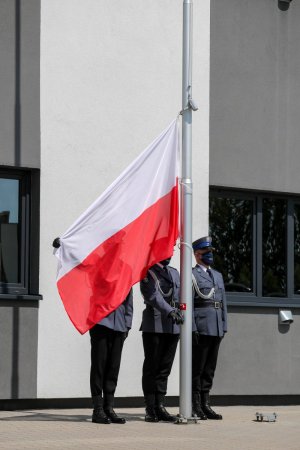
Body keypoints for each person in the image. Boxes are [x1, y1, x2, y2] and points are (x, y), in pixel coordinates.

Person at [140, 258, 184, 423]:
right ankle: (150, 407)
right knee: (152, 367)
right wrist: (170, 310)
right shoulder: (148, 271)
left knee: (165, 368)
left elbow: (181, 297)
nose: (170, 252)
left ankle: (160, 405)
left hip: (173, 325)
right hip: (155, 324)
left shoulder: (173, 272)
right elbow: (151, 295)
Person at [191, 236, 227, 420]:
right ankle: (195, 404)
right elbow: (189, 303)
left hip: (216, 326)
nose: (210, 255)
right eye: (206, 253)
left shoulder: (218, 275)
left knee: (210, 368)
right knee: (198, 367)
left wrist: (224, 325)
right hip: (202, 325)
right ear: (197, 254)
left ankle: (206, 404)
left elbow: (222, 302)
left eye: (211, 252)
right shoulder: (192, 275)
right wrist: (192, 327)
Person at [89, 289, 133, 424]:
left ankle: (109, 407)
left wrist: (127, 325)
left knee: (113, 368)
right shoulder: (99, 273)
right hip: (101, 323)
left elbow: (128, 304)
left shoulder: (125, 275)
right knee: (99, 367)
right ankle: (97, 409)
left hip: (119, 326)